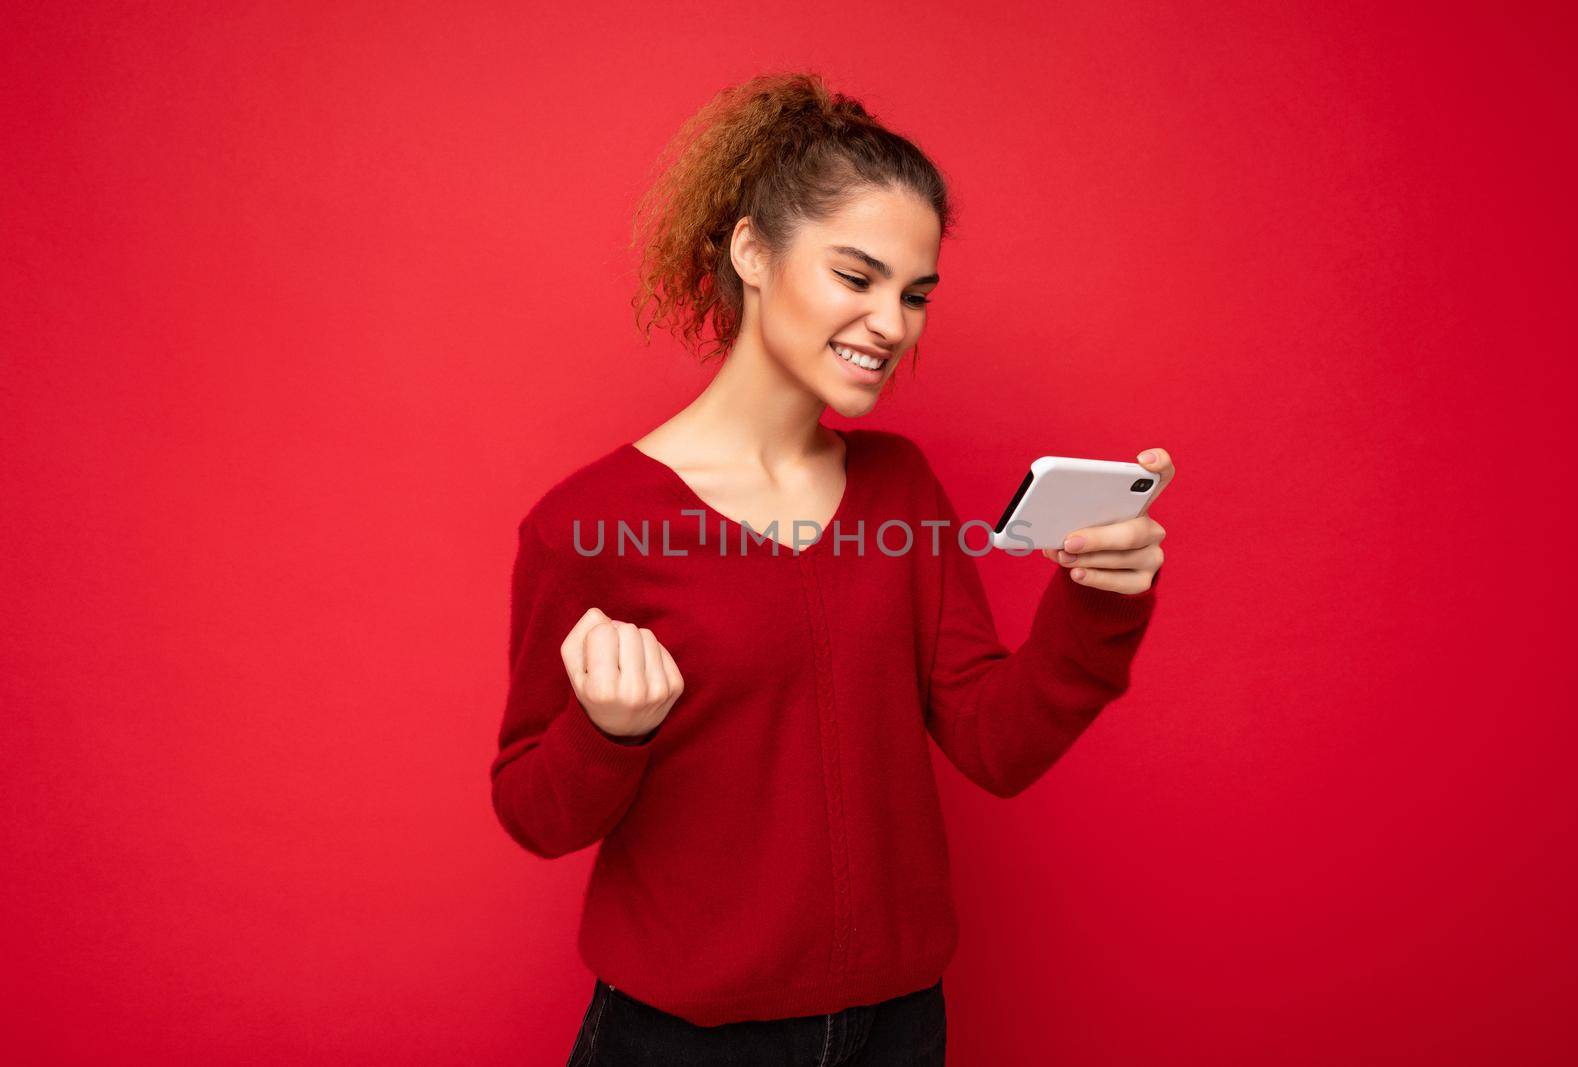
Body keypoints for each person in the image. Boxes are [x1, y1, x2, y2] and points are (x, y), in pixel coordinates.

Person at [490, 70, 1171, 1066]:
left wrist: (1098, 604)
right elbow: (532, 811)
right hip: (682, 1043)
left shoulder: (898, 487)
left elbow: (995, 739)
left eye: (915, 294)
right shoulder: (589, 523)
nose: (892, 324)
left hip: (897, 1028)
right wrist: (606, 731)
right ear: (752, 251)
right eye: (857, 278)